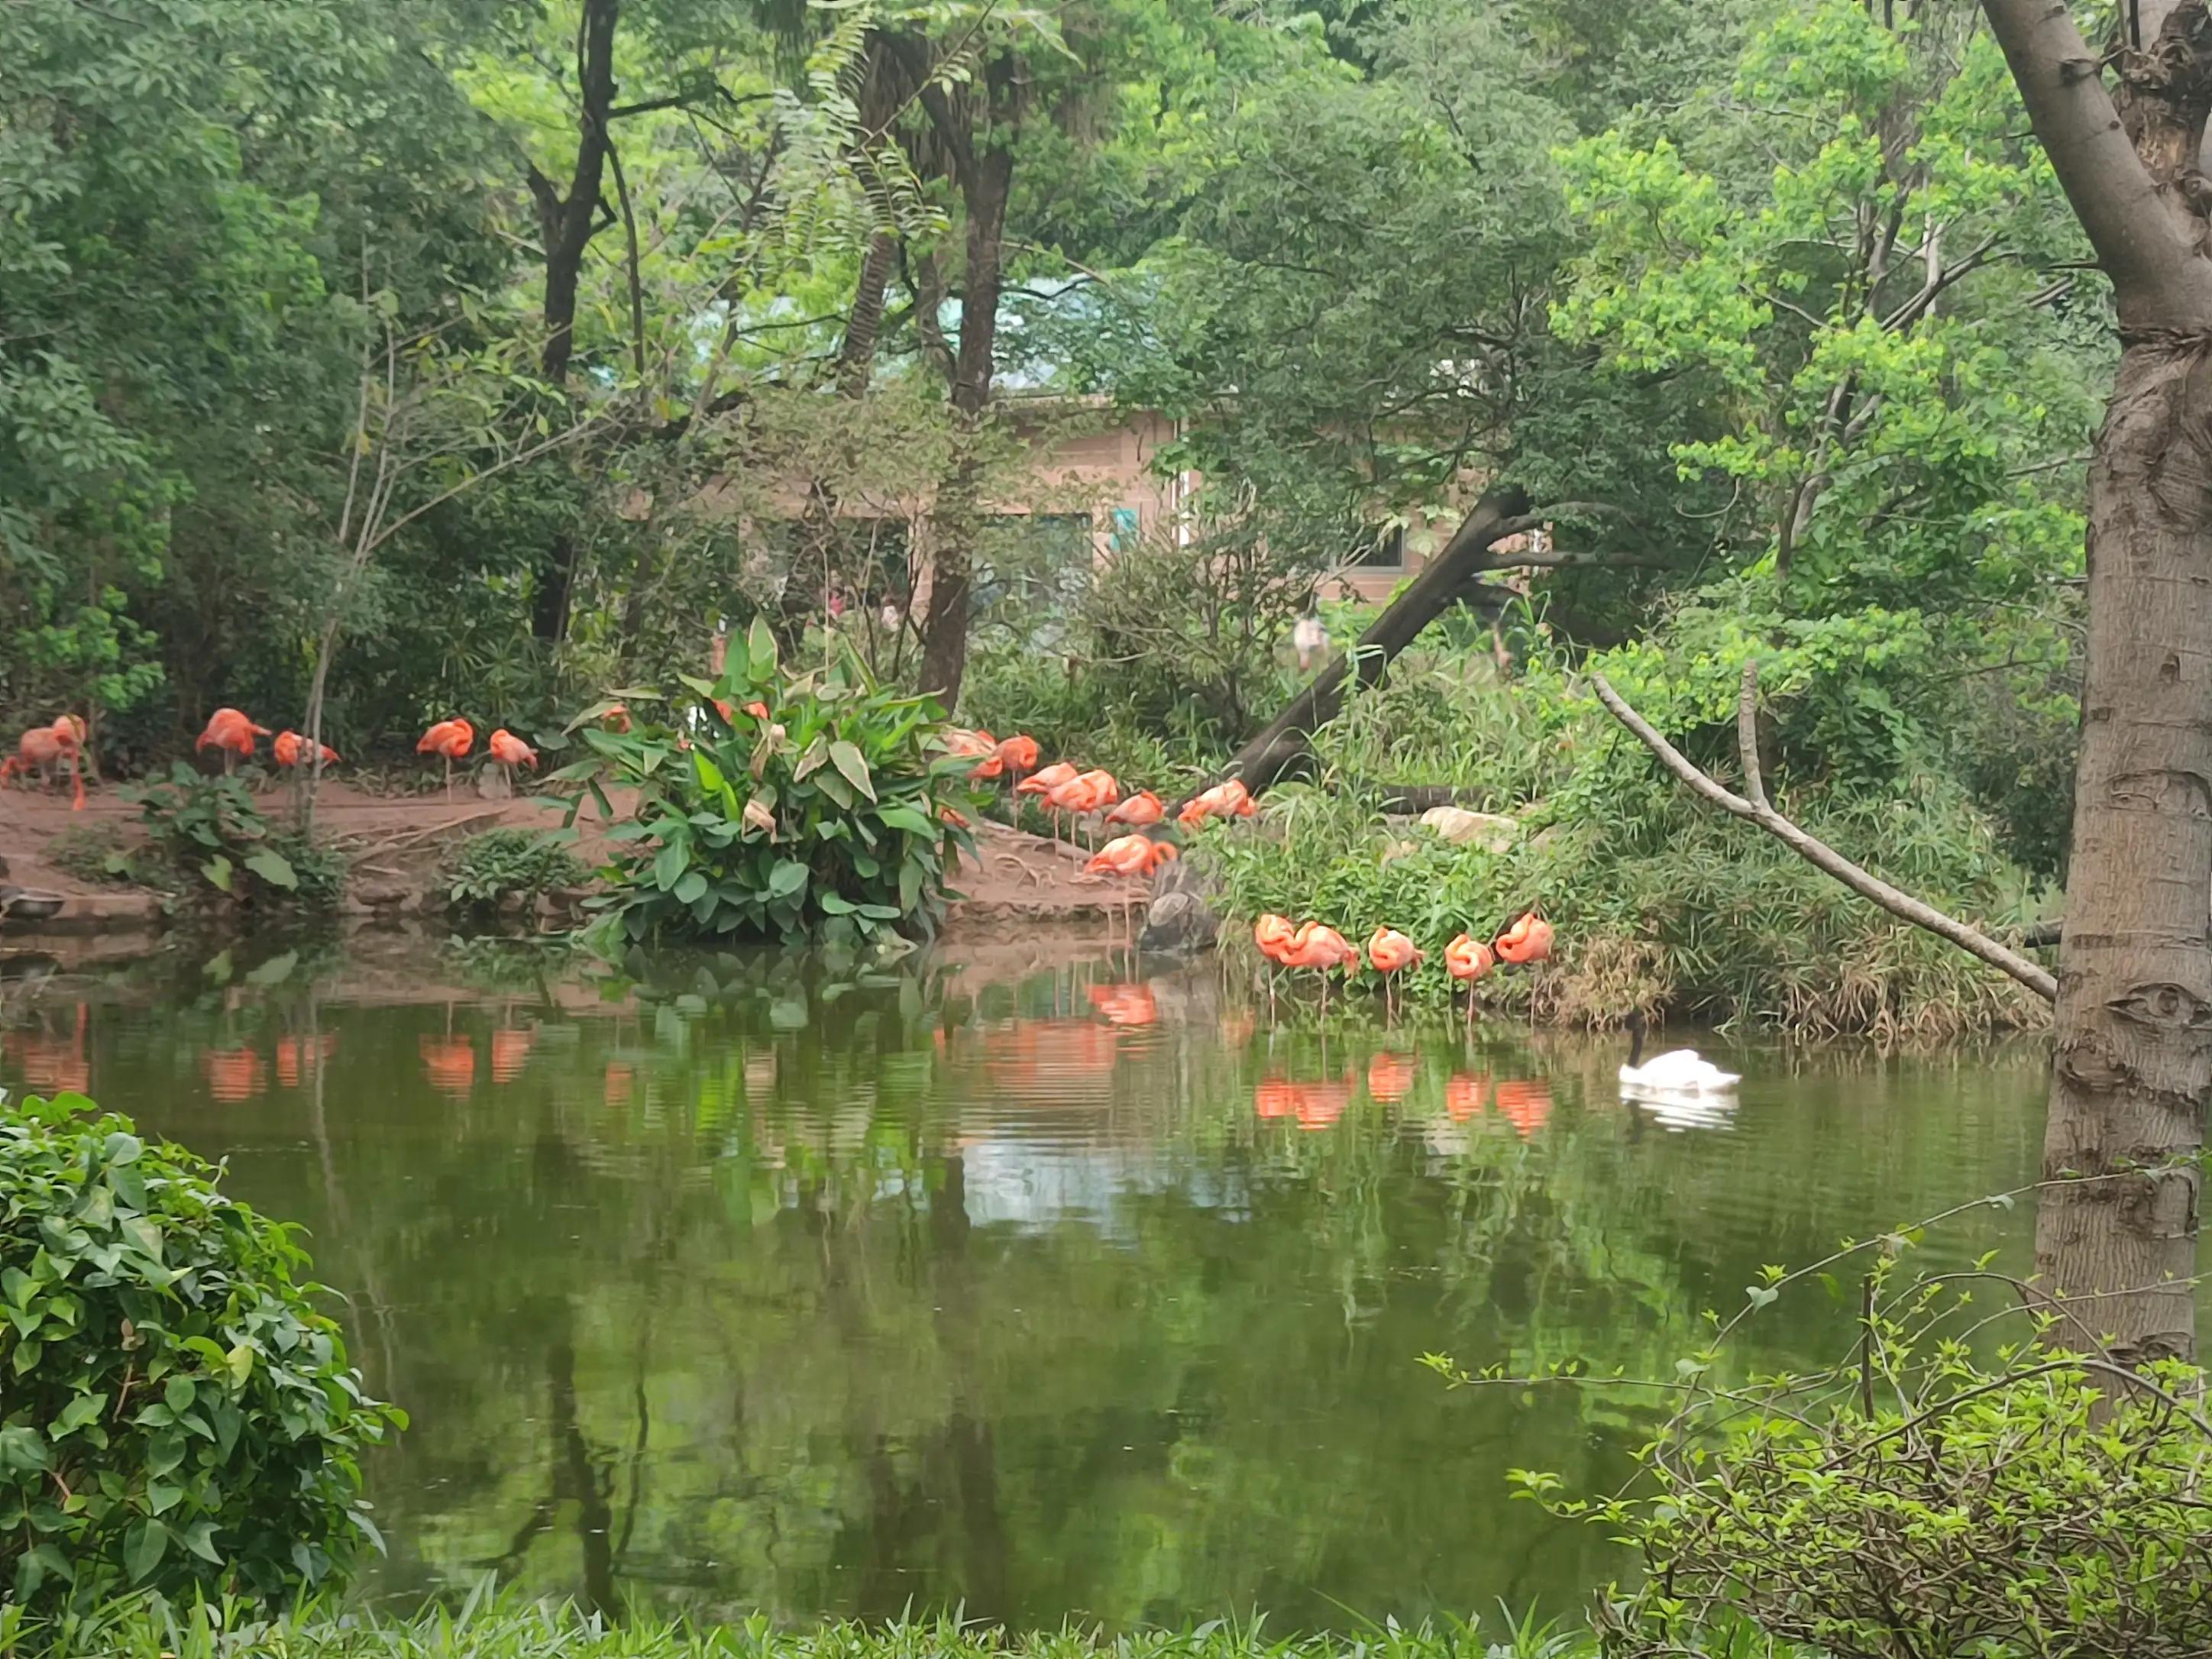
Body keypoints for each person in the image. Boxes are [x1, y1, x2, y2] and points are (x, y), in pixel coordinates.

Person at [1293, 607, 1327, 673]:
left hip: (1314, 617)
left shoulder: (1301, 644)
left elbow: (1304, 623)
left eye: (1304, 661)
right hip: (1315, 618)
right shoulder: (1304, 646)